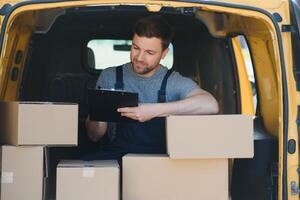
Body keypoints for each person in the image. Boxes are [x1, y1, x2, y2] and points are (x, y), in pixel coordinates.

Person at [85, 15, 218, 162]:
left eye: (149, 52)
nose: (140, 57)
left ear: (164, 53)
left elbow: (210, 104)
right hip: (119, 157)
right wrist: (100, 114)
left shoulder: (172, 81)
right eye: (136, 48)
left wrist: (153, 110)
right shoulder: (110, 76)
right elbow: (94, 136)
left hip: (160, 163)